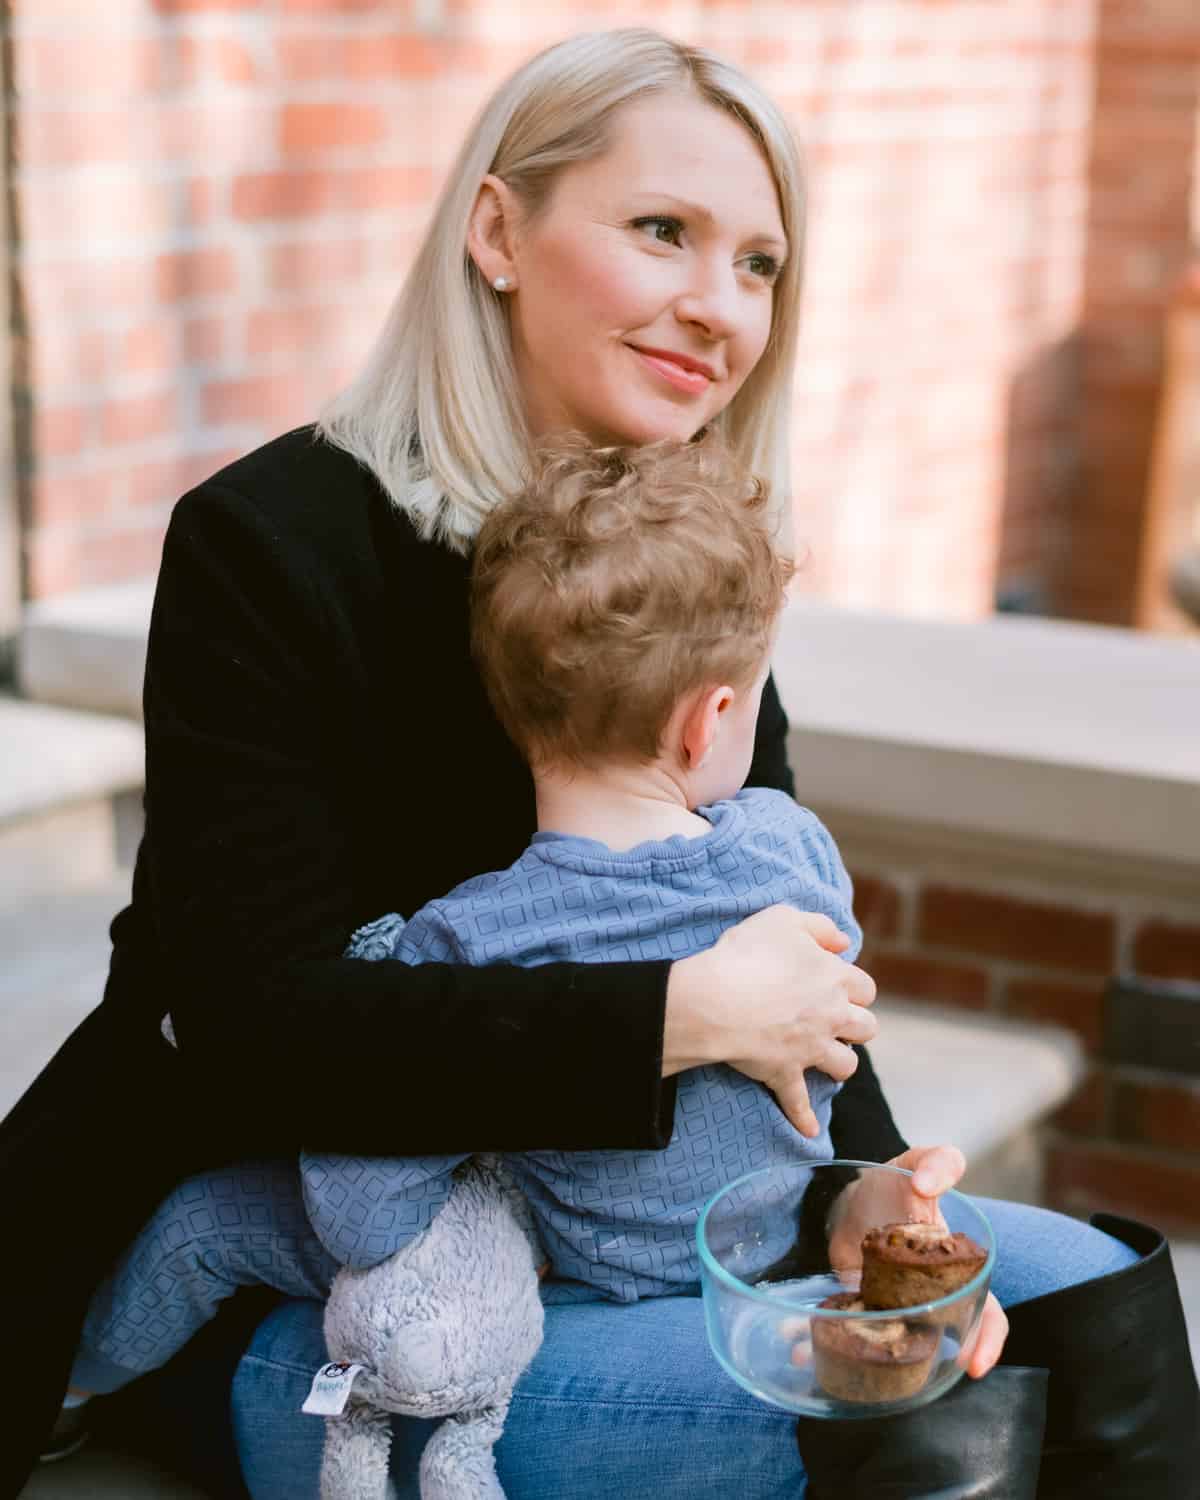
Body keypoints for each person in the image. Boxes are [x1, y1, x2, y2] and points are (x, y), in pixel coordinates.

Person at [2, 26, 1194, 1500]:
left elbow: (778, 944)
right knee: (920, 1424)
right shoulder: (274, 544)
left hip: (609, 1223)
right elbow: (260, 1025)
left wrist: (849, 1194)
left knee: (1090, 1299)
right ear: (498, 232)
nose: (720, 307)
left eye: (759, 264)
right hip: (321, 1272)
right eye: (662, 233)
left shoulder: (675, 565)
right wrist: (673, 1018)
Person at [63, 438, 856, 1455]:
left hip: (571, 1290)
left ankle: (77, 1384)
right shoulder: (792, 853)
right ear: (709, 723)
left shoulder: (462, 939)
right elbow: (840, 1017)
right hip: (768, 1251)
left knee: (202, 1223)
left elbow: (364, 1216)